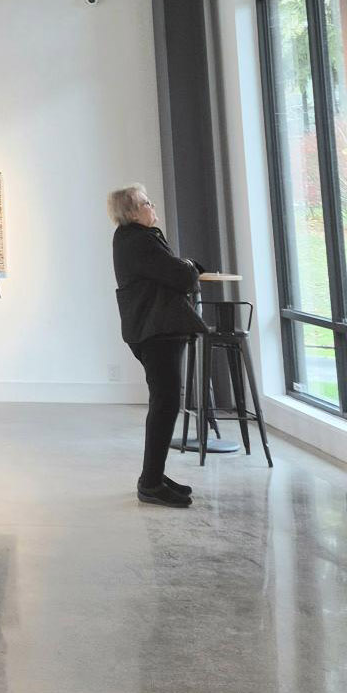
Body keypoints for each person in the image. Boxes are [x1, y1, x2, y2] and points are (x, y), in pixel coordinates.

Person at [108, 183, 206, 508]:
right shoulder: (138, 241)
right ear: (133, 212)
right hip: (156, 331)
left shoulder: (134, 239)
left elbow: (173, 272)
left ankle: (154, 476)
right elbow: (182, 277)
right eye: (146, 203)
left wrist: (185, 267)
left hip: (153, 329)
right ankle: (150, 483)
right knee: (165, 404)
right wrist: (190, 266)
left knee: (164, 403)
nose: (152, 207)